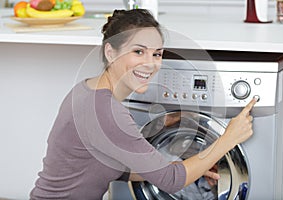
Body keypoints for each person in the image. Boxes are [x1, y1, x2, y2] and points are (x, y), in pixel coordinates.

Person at [30, 9, 257, 200]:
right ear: (111, 52)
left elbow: (105, 166)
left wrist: (191, 167)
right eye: (138, 51)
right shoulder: (106, 111)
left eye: (157, 54)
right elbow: (171, 181)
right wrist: (229, 138)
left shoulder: (86, 89)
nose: (150, 64)